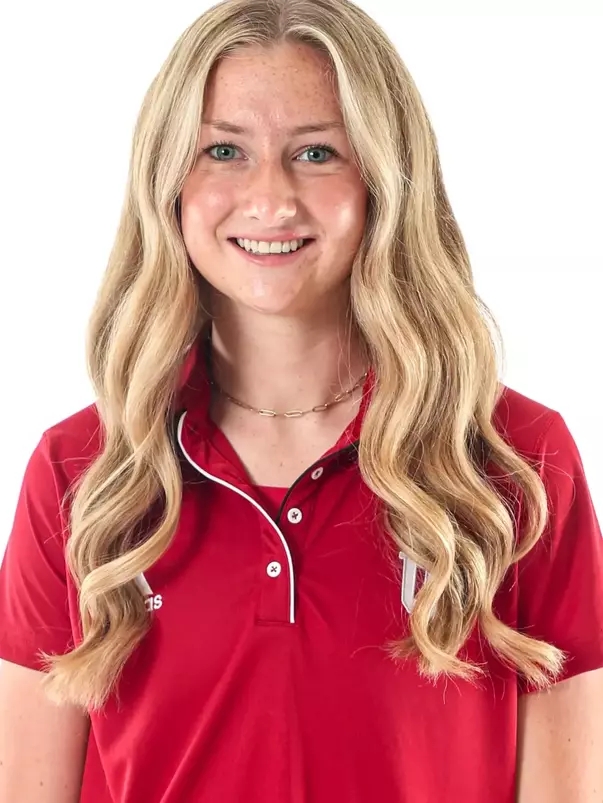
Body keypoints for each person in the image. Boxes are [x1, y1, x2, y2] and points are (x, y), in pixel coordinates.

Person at [1, 0, 602, 801]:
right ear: (168, 182)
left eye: (316, 152)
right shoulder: (83, 473)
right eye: (223, 150)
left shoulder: (513, 461)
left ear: (385, 179)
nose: (271, 198)